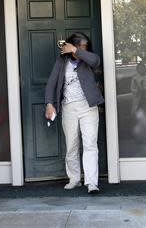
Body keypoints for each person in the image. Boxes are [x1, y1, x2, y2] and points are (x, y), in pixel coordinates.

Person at [45, 32, 104, 194]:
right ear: (72, 45)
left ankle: (92, 183)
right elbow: (51, 83)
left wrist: (77, 51)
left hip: (88, 107)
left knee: (90, 144)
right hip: (69, 108)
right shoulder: (61, 62)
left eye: (85, 46)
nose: (83, 48)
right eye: (80, 45)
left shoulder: (88, 59)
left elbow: (96, 61)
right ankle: (75, 179)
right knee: (71, 145)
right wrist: (49, 103)